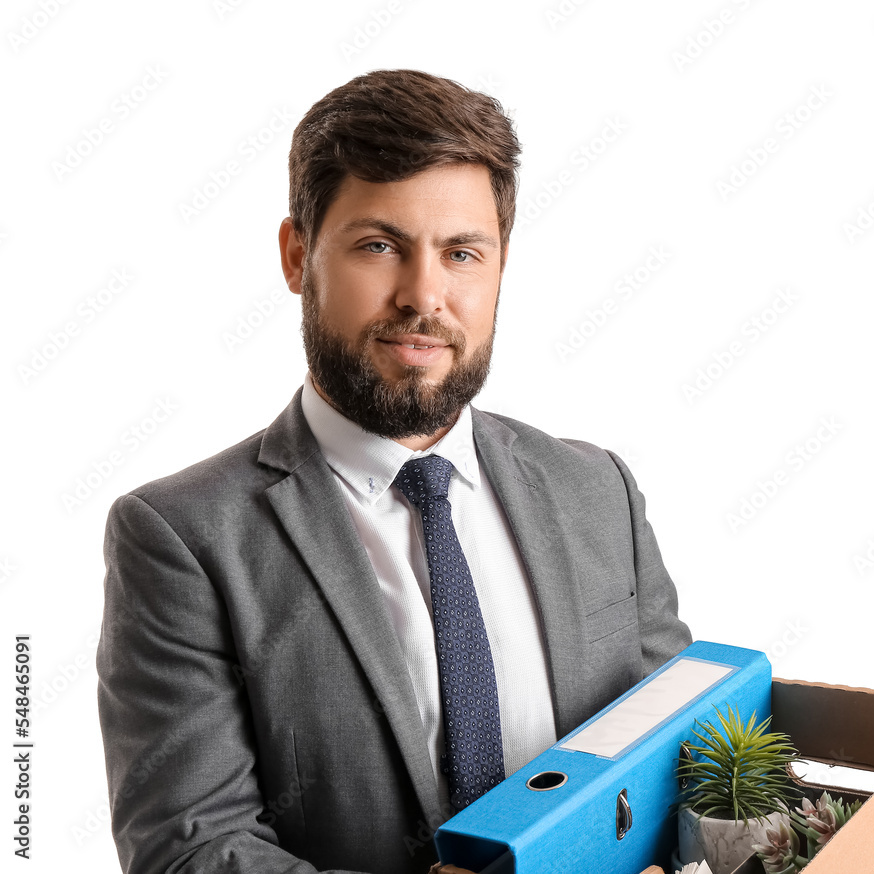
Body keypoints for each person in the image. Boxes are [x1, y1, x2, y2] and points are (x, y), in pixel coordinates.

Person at [96, 69, 691, 874]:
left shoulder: (598, 491)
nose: (424, 295)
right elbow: (187, 851)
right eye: (380, 246)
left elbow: (678, 757)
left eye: (461, 253)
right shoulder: (184, 538)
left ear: (500, 265)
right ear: (298, 254)